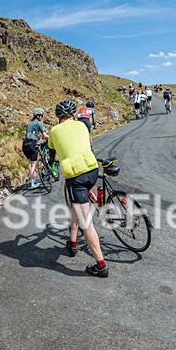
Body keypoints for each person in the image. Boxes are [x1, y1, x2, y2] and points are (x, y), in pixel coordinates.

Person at [48, 100, 109, 277]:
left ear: (58, 117)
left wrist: (52, 161)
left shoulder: (54, 130)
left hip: (75, 176)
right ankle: (72, 243)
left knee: (86, 223)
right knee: (71, 203)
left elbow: (52, 151)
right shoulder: (83, 125)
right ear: (73, 115)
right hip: (91, 170)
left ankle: (101, 265)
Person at [22, 107, 48, 189]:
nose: (42, 117)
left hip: (24, 145)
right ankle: (33, 184)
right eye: (42, 116)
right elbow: (44, 135)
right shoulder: (38, 123)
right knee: (33, 164)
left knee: (30, 163)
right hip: (32, 143)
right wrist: (51, 138)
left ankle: (31, 181)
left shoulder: (30, 123)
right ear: (39, 116)